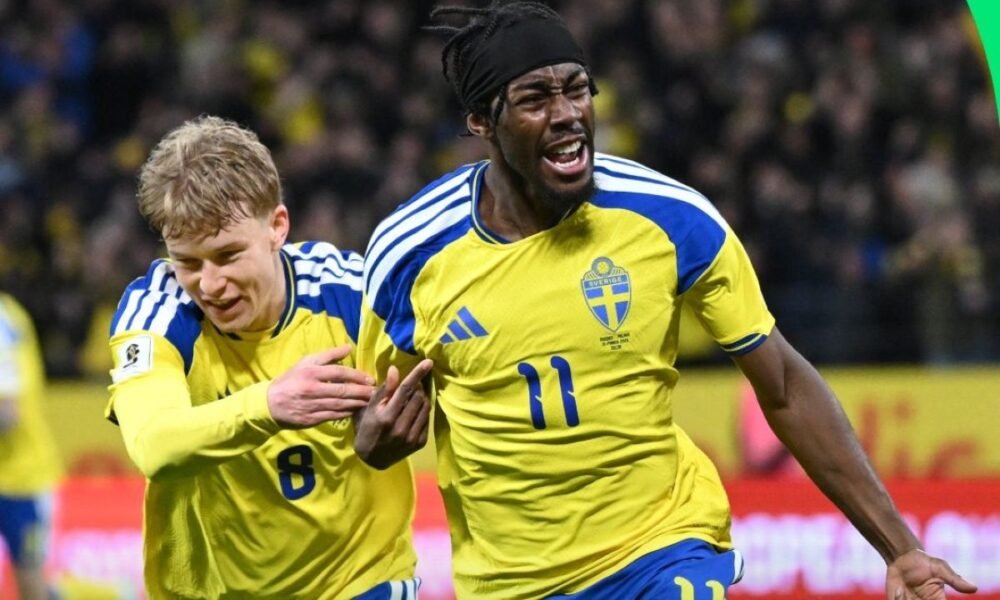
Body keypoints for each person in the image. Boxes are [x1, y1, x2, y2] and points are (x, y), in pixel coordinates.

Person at [355, 2, 979, 599]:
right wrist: (373, 440)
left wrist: (898, 546)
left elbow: (784, 383)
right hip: (511, 580)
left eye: (577, 89)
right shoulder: (411, 254)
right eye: (535, 99)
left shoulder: (670, 219)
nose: (568, 113)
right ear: (481, 123)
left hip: (662, 548)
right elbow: (368, 415)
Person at [106, 115, 430, 599]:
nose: (210, 285)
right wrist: (270, 404)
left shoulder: (355, 297)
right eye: (188, 262)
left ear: (277, 226)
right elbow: (154, 445)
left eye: (229, 254)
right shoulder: (157, 313)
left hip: (359, 578)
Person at [0, 292, 63, 600]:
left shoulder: (1, 319)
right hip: (15, 476)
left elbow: (6, 413)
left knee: (30, 583)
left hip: (22, 479)